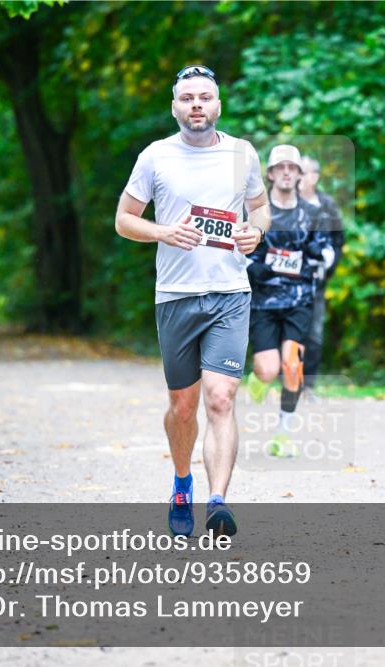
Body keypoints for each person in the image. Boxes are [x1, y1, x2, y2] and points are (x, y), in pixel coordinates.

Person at [115, 65, 270, 537]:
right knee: (183, 407)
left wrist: (255, 232)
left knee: (221, 398)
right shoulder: (156, 157)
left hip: (230, 294)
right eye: (187, 98)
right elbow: (124, 219)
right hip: (176, 297)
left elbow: (260, 208)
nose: (196, 105)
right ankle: (182, 484)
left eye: (205, 97)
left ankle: (218, 501)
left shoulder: (242, 154)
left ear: (218, 105)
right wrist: (164, 231)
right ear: (175, 107)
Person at [243, 145, 334, 457]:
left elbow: (324, 251)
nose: (285, 172)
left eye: (291, 167)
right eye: (279, 167)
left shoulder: (312, 215)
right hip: (263, 302)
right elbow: (243, 251)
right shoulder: (257, 211)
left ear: (299, 175)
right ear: (270, 174)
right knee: (268, 370)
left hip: (299, 301)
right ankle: (258, 380)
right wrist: (261, 263)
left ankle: (284, 434)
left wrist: (319, 257)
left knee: (293, 366)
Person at [298, 156, 344, 391]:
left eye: (303, 172)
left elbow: (338, 242)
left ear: (314, 177)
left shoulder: (327, 206)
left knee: (314, 333)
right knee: (287, 332)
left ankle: (309, 385)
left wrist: (327, 270)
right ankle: (289, 383)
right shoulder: (284, 203)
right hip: (285, 282)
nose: (297, 177)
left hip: (316, 281)